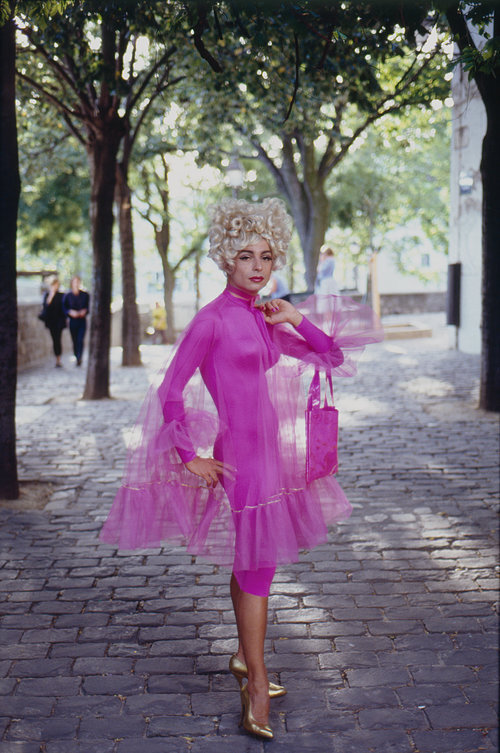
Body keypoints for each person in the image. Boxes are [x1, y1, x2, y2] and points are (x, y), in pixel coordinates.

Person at [100, 198, 383, 739]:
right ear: (225, 259)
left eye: (268, 257)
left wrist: (295, 315)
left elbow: (332, 357)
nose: (258, 266)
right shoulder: (211, 322)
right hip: (241, 464)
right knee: (259, 570)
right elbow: (169, 391)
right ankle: (257, 680)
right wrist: (191, 456)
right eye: (246, 256)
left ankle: (241, 657)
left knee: (254, 562)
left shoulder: (262, 315)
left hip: (273, 457)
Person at [39, 275, 66, 367]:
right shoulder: (47, 295)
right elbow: (46, 307)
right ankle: (57, 357)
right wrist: (51, 294)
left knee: (58, 339)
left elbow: (64, 308)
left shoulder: (61, 295)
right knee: (55, 339)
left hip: (59, 321)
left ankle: (58, 359)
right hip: (51, 322)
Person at [63, 276, 90, 366]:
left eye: (78, 282)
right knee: (74, 340)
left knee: (80, 339)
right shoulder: (67, 296)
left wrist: (84, 311)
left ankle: (79, 357)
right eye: (75, 282)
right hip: (73, 321)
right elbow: (64, 308)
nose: (76, 284)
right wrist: (70, 312)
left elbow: (88, 307)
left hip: (82, 320)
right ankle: (76, 354)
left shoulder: (85, 295)